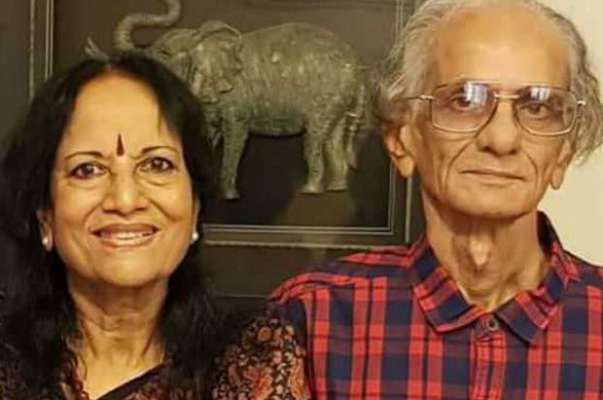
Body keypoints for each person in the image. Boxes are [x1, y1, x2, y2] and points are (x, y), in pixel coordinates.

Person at [260, 0, 603, 399]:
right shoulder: (312, 317)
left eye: (537, 106)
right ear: (401, 140)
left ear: (562, 154)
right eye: (464, 101)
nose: (502, 139)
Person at [0, 53, 308, 399]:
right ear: (45, 213)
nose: (125, 200)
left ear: (195, 206)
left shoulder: (251, 360)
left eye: (157, 165)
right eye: (87, 170)